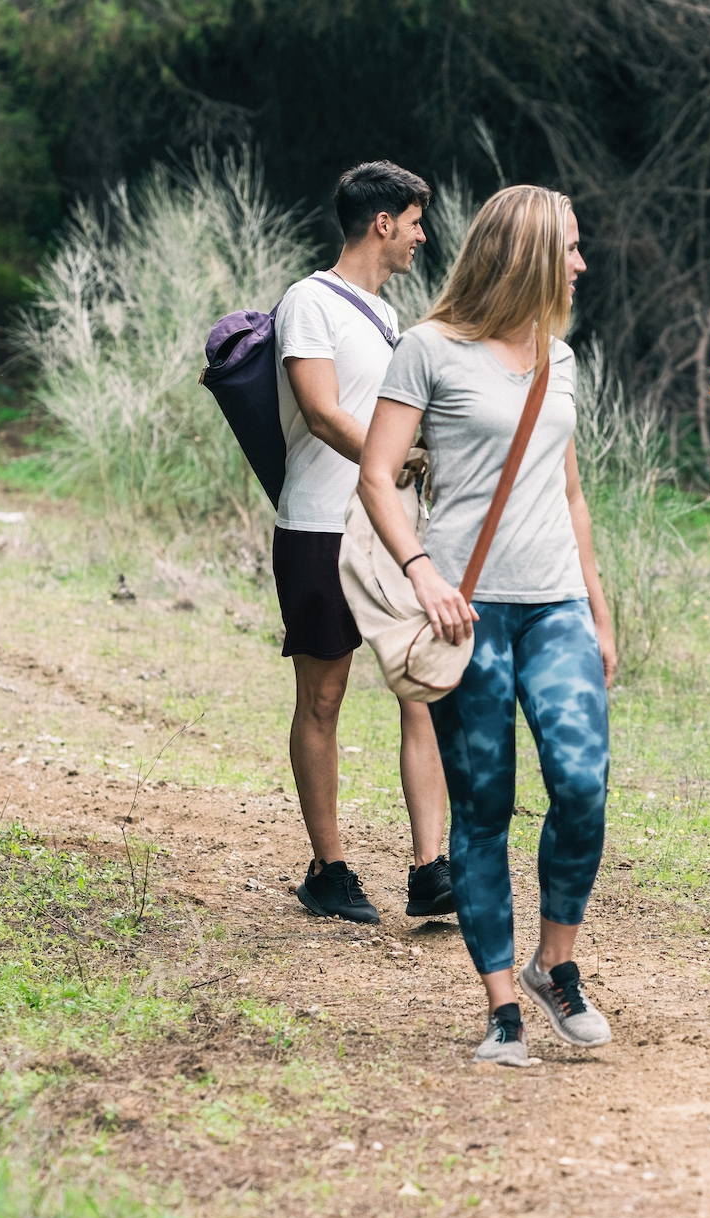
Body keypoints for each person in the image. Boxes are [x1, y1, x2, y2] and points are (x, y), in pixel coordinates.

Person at [358, 185, 617, 1068]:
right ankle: (502, 1003)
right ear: (530, 253)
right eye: (571, 248)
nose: (581, 264)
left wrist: (599, 607)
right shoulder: (428, 350)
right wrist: (422, 572)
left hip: (556, 605)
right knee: (484, 806)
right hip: (466, 611)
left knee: (582, 783)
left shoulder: (561, 357)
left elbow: (572, 494)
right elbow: (377, 474)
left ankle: (557, 962)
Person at [274, 160, 454, 926]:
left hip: (393, 529)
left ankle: (431, 867)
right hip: (318, 521)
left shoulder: (391, 319)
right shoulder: (309, 302)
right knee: (324, 693)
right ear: (382, 222)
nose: (421, 235)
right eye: (415, 221)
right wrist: (396, 461)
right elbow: (319, 411)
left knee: (422, 686)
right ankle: (329, 866)